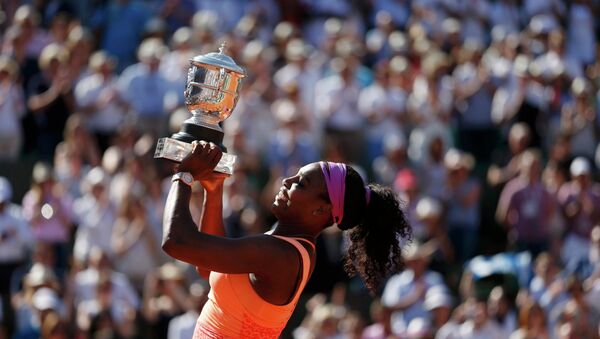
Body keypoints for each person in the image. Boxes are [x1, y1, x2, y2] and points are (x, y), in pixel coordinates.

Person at [161, 140, 412, 338]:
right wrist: (213, 191)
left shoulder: (280, 253)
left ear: (321, 210)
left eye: (300, 184)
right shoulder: (285, 245)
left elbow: (176, 241)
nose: (286, 181)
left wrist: (184, 175)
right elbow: (209, 267)